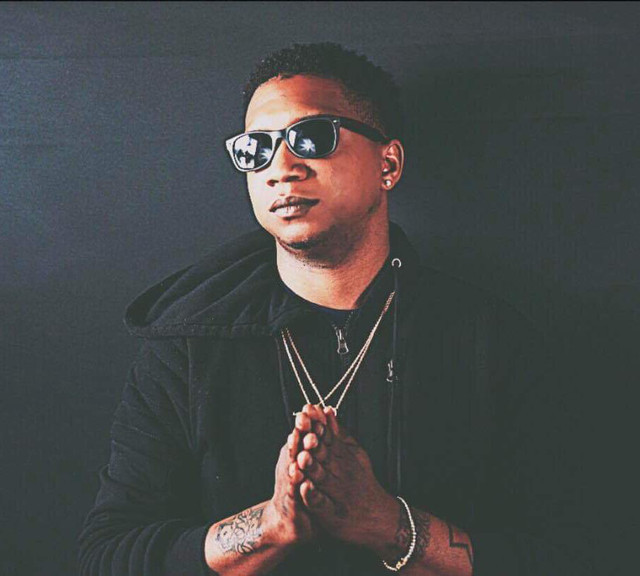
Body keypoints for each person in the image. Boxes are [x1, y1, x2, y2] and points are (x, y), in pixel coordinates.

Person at [78, 42, 592, 575]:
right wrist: (270, 526)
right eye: (256, 149)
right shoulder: (187, 344)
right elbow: (107, 556)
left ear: (388, 163)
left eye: (311, 137)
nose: (281, 168)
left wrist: (387, 524)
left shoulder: (490, 339)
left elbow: (567, 556)